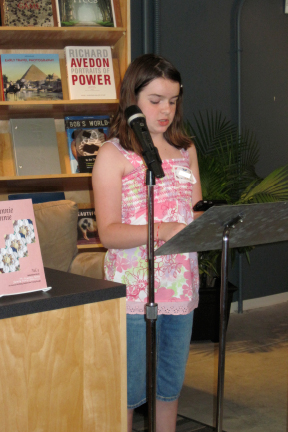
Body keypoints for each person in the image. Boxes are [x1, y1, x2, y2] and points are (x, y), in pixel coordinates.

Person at [92, 53, 202, 432]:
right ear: (132, 99)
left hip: (180, 286)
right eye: (155, 100)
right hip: (134, 290)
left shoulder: (187, 151)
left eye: (172, 101)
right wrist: (163, 229)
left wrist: (209, 225)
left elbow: (195, 214)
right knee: (128, 391)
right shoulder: (112, 154)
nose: (165, 110)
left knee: (168, 390)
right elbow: (108, 232)